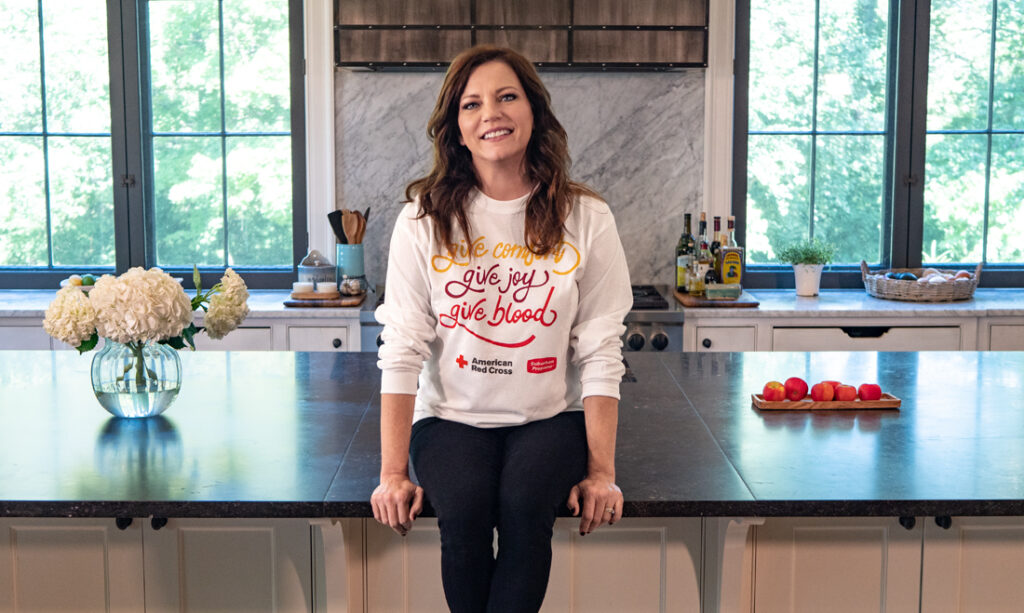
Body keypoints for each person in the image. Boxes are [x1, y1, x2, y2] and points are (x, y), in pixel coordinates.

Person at [371, 44, 633, 613]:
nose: (491, 112)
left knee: (525, 508)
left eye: (507, 96)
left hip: (550, 416)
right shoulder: (423, 219)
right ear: (457, 130)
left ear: (533, 112)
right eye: (472, 104)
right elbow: (402, 346)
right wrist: (392, 473)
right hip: (449, 418)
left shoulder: (585, 217)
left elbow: (600, 349)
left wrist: (602, 473)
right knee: (461, 512)